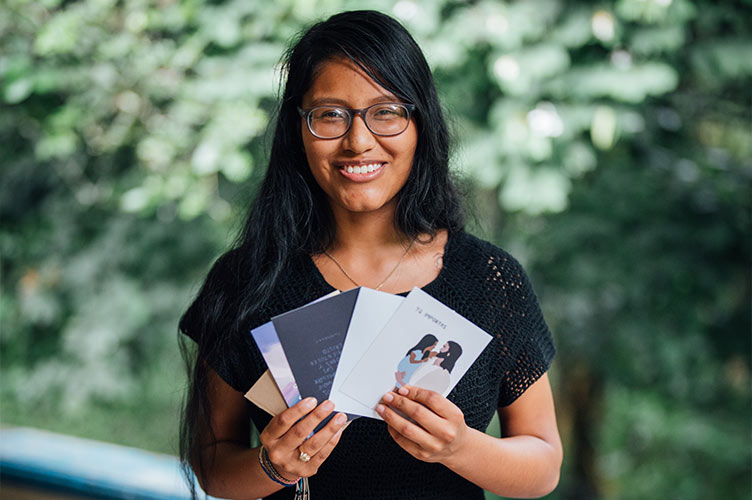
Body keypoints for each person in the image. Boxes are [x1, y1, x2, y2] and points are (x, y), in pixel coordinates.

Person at [178, 9, 562, 500]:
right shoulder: (248, 280)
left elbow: (544, 464)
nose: (358, 142)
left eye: (386, 112)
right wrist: (271, 466)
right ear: (299, 128)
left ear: (420, 123)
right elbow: (213, 466)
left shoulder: (489, 280)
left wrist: (459, 446)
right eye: (330, 114)